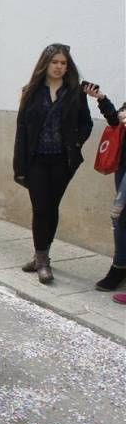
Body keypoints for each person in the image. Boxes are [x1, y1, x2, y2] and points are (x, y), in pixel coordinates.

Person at [13, 44, 93, 284]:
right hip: (36, 160)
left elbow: (86, 124)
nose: (59, 67)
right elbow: (22, 131)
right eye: (55, 62)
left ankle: (42, 256)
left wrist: (76, 144)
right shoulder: (31, 92)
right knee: (40, 209)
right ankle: (42, 259)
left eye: (63, 63)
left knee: (52, 208)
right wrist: (20, 165)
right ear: (45, 64)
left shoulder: (75, 93)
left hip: (62, 162)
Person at [85, 87, 126, 295]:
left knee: (118, 215)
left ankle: (118, 268)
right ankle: (120, 267)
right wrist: (101, 99)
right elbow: (115, 123)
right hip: (123, 166)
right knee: (122, 220)